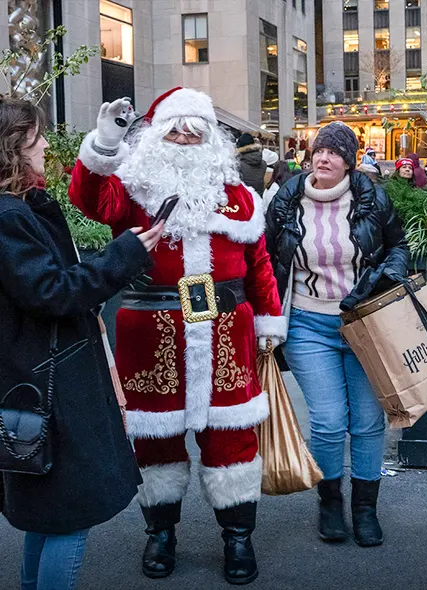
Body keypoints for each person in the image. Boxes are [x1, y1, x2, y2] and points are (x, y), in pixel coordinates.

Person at [69, 88, 286, 585]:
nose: (185, 135)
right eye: (175, 126)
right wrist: (104, 144)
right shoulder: (133, 187)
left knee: (231, 440)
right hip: (153, 335)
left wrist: (271, 325)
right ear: (156, 133)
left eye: (195, 127)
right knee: (156, 443)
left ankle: (237, 538)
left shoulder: (238, 198)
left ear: (212, 137)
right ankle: (160, 533)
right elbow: (88, 200)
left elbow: (260, 267)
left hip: (227, 334)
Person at [0, 97, 165, 590]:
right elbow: (54, 291)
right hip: (51, 386)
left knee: (49, 514)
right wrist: (126, 252)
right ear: (13, 149)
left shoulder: (19, 209)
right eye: (37, 139)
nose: (47, 145)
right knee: (69, 515)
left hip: (38, 379)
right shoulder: (8, 217)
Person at [264, 122, 409, 549]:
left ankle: (365, 509)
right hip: (309, 323)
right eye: (318, 150)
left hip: (364, 323)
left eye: (334, 152)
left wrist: (393, 271)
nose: (323, 157)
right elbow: (268, 259)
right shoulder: (286, 200)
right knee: (328, 420)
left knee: (366, 421)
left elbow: (397, 246)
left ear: (348, 160)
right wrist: (266, 320)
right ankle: (330, 503)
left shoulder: (370, 197)